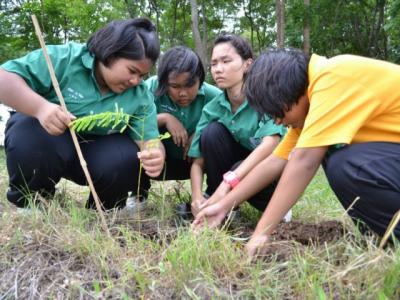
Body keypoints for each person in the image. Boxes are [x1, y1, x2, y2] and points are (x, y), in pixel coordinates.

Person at [194, 48, 400, 256]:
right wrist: (224, 206)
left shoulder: (332, 78)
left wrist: (262, 233)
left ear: (285, 92)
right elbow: (274, 161)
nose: (277, 121)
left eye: (276, 112)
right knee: (335, 158)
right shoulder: (309, 102)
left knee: (345, 164)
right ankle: (384, 238)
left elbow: (304, 162)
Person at [0, 18, 165, 210]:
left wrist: (154, 153)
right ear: (110, 53)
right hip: (51, 143)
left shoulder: (140, 95)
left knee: (127, 155)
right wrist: (41, 108)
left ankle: (106, 208)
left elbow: (149, 139)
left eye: (142, 76)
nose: (135, 81)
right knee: (28, 132)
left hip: (96, 155)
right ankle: (31, 203)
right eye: (132, 71)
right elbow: (5, 78)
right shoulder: (64, 59)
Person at [188, 34, 286, 218]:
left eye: (226, 61)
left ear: (247, 64)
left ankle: (278, 206)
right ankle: (224, 207)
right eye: (214, 63)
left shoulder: (265, 98)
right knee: (212, 133)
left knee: (240, 166)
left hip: (270, 174)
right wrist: (196, 196)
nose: (218, 69)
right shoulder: (212, 108)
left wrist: (228, 182)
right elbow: (197, 161)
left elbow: (270, 144)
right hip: (232, 175)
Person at [134, 46, 220, 211]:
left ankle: (212, 196)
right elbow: (132, 121)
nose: (183, 93)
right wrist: (165, 119)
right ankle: (137, 195)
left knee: (215, 133)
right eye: (174, 86)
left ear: (200, 79)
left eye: (189, 85)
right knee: (131, 139)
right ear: (164, 82)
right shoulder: (150, 88)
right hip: (158, 162)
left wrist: (201, 132)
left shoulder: (213, 96)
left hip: (195, 162)